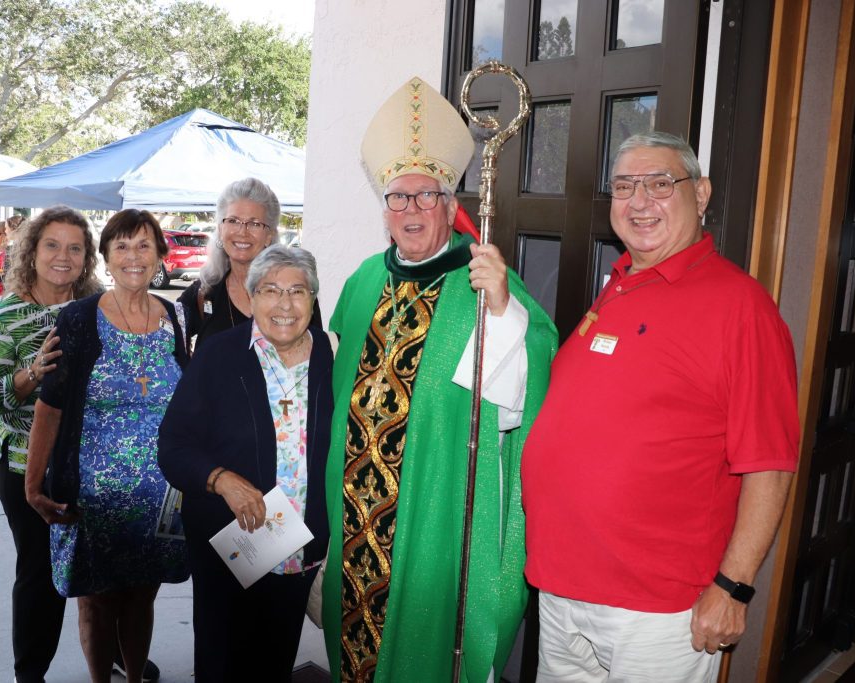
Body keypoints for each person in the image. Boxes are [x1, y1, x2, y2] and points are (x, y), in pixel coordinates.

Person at [521, 132, 800, 682]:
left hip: (655, 608)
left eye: (659, 183)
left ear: (700, 194)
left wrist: (733, 587)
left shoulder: (741, 307)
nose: (639, 201)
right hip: (562, 586)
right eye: (624, 186)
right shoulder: (619, 285)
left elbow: (769, 463)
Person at [322, 76, 559, 682]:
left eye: (426, 197)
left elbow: (527, 381)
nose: (411, 211)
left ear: (450, 205)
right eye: (397, 199)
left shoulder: (484, 285)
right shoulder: (362, 280)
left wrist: (505, 312)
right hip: (354, 508)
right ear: (383, 209)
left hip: (434, 506)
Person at [25, 208, 189, 683]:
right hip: (91, 498)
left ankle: (134, 677)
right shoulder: (79, 319)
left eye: (144, 246)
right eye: (121, 246)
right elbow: (50, 407)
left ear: (161, 255)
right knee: (96, 603)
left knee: (142, 598)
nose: (133, 256)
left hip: (161, 499)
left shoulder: (176, 316)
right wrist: (34, 487)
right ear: (106, 257)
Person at [159, 245, 332, 682]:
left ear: (313, 299)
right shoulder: (219, 355)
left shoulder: (333, 359)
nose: (285, 304)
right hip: (232, 547)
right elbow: (174, 446)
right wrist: (220, 480)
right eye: (271, 290)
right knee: (221, 664)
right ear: (251, 297)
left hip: (299, 551)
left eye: (297, 291)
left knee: (273, 665)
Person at [0, 206, 105, 683]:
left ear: (87, 256)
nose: (62, 257)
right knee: (41, 576)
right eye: (51, 245)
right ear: (31, 250)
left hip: (94, 465)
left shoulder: (98, 308)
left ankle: (114, 651)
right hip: (28, 465)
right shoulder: (6, 316)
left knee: (104, 570)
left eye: (74, 247)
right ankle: (30, 673)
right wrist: (30, 375)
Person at [178, 177, 321, 349]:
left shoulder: (296, 294)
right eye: (233, 221)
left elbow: (315, 358)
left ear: (269, 235)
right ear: (220, 229)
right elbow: (162, 340)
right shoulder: (204, 293)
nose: (242, 232)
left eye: (254, 223)